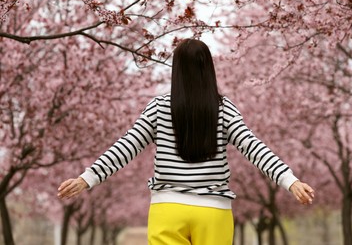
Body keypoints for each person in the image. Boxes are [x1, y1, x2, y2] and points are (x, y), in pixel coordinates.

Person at [58, 38, 315, 245]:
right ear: (209, 69)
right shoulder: (224, 109)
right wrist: (289, 181)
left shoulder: (158, 107)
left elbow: (127, 146)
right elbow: (253, 147)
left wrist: (88, 178)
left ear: (176, 71)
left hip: (168, 209)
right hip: (213, 213)